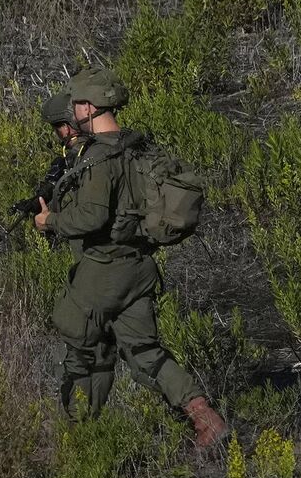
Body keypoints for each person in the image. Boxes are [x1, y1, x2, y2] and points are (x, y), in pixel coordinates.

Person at [34, 68, 228, 447]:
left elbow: (91, 218)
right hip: (139, 267)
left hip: (104, 269)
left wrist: (49, 221)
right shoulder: (137, 145)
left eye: (76, 104)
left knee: (82, 348)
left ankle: (78, 440)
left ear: (87, 107)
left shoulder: (97, 157)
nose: (72, 111)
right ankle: (205, 418)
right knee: (145, 351)